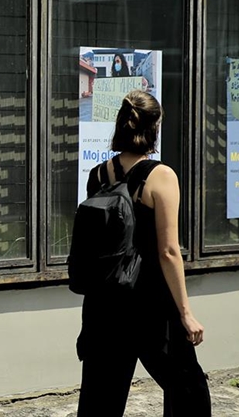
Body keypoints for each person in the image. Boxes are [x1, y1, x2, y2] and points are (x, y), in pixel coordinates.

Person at [76, 90, 211, 416]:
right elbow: (168, 251)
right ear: (155, 127)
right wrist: (185, 312)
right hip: (150, 303)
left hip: (104, 302)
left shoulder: (98, 175)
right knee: (189, 390)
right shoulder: (161, 176)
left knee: (100, 399)